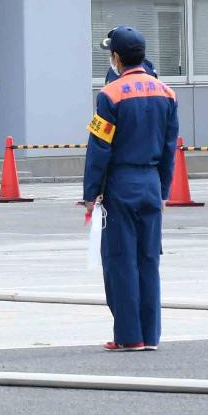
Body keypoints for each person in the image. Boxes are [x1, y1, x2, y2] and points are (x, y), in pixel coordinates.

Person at [82, 26, 179, 351]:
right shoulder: (167, 92)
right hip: (151, 182)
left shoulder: (109, 94)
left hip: (121, 184)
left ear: (116, 57)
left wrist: (90, 192)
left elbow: (99, 146)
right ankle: (150, 335)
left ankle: (128, 336)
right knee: (148, 259)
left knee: (120, 259)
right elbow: (169, 148)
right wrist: (164, 191)